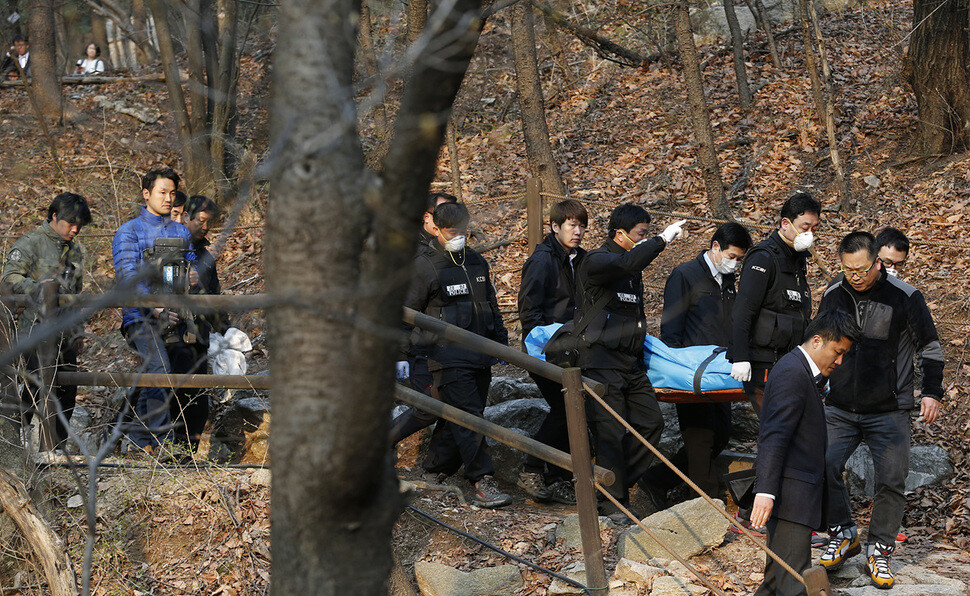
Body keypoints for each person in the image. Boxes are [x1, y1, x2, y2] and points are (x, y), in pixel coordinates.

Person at [816, 231, 944, 589]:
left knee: (891, 480)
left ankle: (880, 550)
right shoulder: (833, 293)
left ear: (877, 262)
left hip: (889, 409)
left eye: (861, 269)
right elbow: (819, 343)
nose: (854, 277)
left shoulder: (905, 296)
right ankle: (842, 533)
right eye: (847, 270)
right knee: (821, 463)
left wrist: (931, 392)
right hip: (839, 406)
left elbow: (930, 346)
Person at [575, 203, 686, 522]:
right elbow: (625, 263)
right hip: (600, 360)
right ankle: (611, 500)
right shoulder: (597, 260)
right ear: (619, 233)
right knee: (610, 431)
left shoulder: (630, 268)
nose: (644, 239)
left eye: (648, 235)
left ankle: (615, 484)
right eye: (641, 234)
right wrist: (661, 240)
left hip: (630, 363)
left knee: (651, 423)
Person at [404, 201, 512, 508]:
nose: (459, 237)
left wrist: (500, 342)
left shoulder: (477, 261)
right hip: (444, 355)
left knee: (462, 412)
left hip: (481, 351)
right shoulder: (424, 266)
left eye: (463, 231)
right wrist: (407, 355)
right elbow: (403, 315)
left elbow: (490, 303)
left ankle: (435, 469)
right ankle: (482, 480)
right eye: (453, 232)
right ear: (436, 229)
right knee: (469, 417)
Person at [639, 222, 752, 509]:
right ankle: (706, 504)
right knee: (700, 437)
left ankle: (658, 479)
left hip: (721, 371)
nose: (734, 264)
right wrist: (679, 371)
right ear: (715, 247)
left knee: (722, 434)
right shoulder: (684, 275)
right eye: (732, 256)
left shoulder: (726, 280)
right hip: (691, 372)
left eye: (739, 259)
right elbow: (672, 328)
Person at [750, 309, 860, 596]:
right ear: (816, 341)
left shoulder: (798, 371)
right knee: (794, 585)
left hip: (796, 496)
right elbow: (774, 436)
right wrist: (766, 491)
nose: (839, 361)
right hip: (791, 497)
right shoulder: (792, 373)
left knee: (775, 583)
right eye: (837, 352)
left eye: (844, 354)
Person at [112, 168, 197, 453]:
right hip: (140, 317)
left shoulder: (181, 231)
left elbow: (188, 268)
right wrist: (157, 308)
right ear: (146, 194)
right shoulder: (129, 232)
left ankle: (137, 443)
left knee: (159, 375)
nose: (169, 198)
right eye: (162, 192)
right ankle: (162, 443)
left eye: (172, 193)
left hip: (175, 316)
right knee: (159, 371)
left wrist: (191, 277)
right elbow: (128, 279)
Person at [1, 193, 91, 448]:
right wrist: (39, 288)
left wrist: (79, 331)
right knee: (33, 390)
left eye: (79, 225)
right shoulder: (30, 243)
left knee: (67, 392)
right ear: (54, 216)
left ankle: (56, 450)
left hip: (64, 333)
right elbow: (9, 280)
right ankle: (10, 443)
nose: (75, 229)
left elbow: (75, 294)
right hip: (33, 330)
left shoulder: (75, 250)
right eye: (70, 223)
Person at [516, 198, 589, 505]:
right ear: (555, 226)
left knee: (576, 411)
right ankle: (531, 468)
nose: (578, 232)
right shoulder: (542, 260)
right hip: (545, 349)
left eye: (582, 226)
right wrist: (546, 345)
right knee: (565, 410)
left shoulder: (582, 259)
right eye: (572, 225)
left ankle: (557, 476)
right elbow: (529, 312)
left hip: (575, 349)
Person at [729, 192, 821, 412]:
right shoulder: (764, 257)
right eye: (805, 227)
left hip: (789, 360)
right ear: (786, 224)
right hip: (764, 363)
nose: (809, 234)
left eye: (814, 229)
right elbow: (743, 309)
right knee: (777, 426)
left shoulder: (797, 259)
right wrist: (740, 357)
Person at [389, 192, 458, 445]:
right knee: (430, 407)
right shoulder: (411, 254)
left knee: (456, 405)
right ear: (427, 217)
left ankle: (439, 464)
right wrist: (400, 354)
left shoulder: (450, 248)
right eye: (443, 212)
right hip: (420, 347)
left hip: (450, 344)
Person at [167, 195, 225, 450]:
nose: (205, 227)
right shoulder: (167, 247)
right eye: (200, 221)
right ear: (186, 218)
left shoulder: (207, 258)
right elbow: (159, 287)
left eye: (209, 222)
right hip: (173, 335)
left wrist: (226, 330)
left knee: (199, 400)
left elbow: (215, 297)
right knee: (176, 395)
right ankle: (171, 453)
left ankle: (187, 454)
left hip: (199, 337)